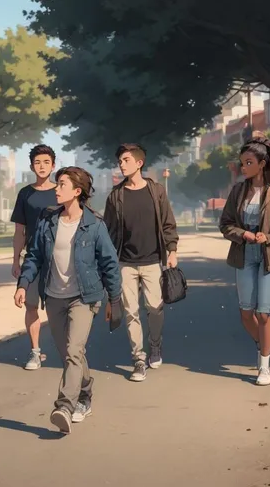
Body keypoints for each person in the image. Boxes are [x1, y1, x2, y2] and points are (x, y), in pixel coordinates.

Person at [14, 166, 122, 434]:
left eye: (62, 184)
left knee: (74, 351)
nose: (56, 189)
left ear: (77, 191)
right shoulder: (47, 222)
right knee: (69, 355)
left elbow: (110, 264)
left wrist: (114, 299)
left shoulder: (94, 225)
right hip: (53, 297)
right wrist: (23, 283)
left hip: (84, 298)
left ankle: (64, 406)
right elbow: (34, 256)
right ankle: (85, 392)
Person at [219, 135, 270, 386]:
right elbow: (225, 224)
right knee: (246, 313)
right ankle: (263, 342)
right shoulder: (238, 191)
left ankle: (264, 365)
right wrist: (243, 233)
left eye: (248, 162)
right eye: (242, 163)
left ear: (262, 163)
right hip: (245, 254)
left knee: (264, 314)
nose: (243, 167)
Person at [103, 143, 179, 382]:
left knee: (155, 309)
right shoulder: (116, 195)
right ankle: (138, 358)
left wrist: (172, 250)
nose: (121, 164)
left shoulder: (156, 191)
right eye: (120, 161)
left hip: (152, 261)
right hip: (125, 262)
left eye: (126, 160)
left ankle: (155, 345)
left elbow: (168, 223)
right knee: (130, 312)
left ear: (139, 163)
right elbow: (108, 232)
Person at [10, 144, 59, 371]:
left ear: (53, 165)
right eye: (37, 162)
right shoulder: (25, 194)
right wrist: (15, 260)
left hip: (59, 257)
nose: (42, 166)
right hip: (33, 257)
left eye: (46, 162)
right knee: (30, 304)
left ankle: (68, 349)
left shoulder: (61, 191)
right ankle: (35, 352)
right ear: (31, 166)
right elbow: (19, 230)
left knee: (59, 305)